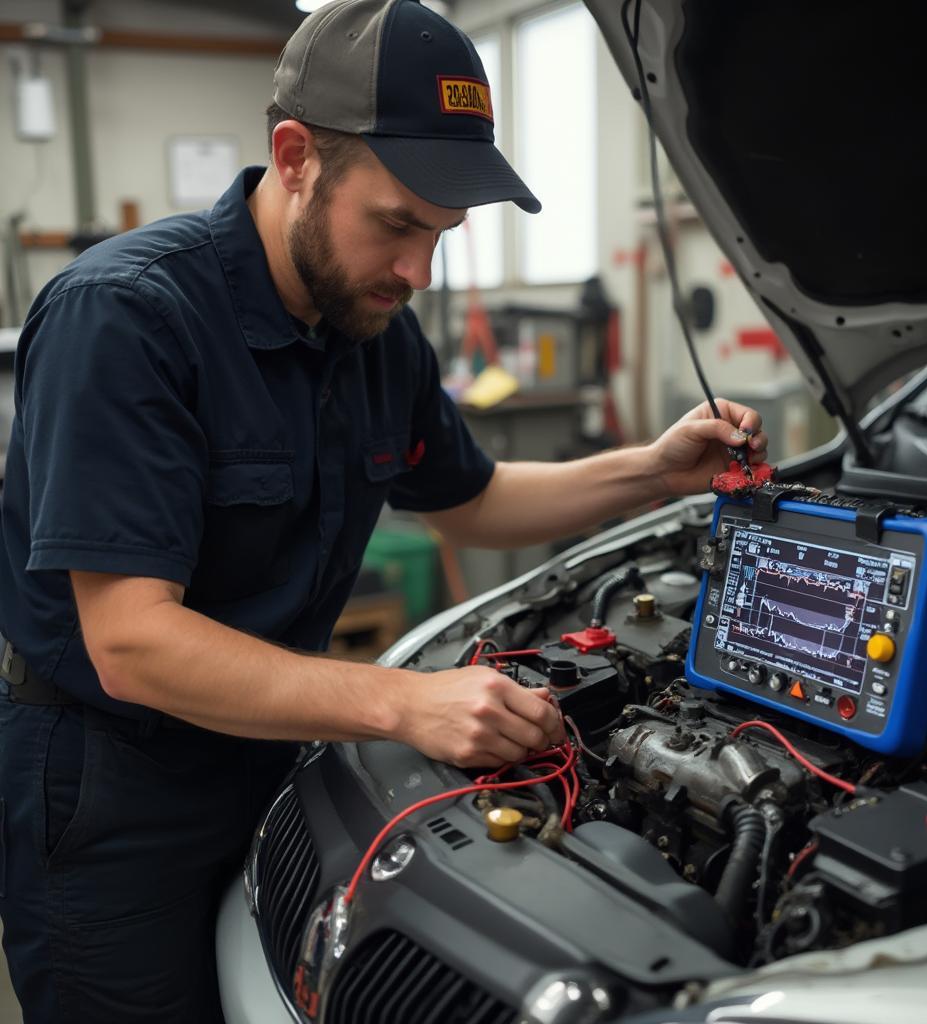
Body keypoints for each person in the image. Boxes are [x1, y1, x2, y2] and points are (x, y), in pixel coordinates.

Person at [0, 1, 767, 1020]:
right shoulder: (128, 317)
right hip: (113, 791)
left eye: (443, 234)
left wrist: (654, 470)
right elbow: (131, 643)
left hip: (271, 748)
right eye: (398, 224)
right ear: (295, 156)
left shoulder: (373, 331)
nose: (418, 273)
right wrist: (408, 701)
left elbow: (475, 500)